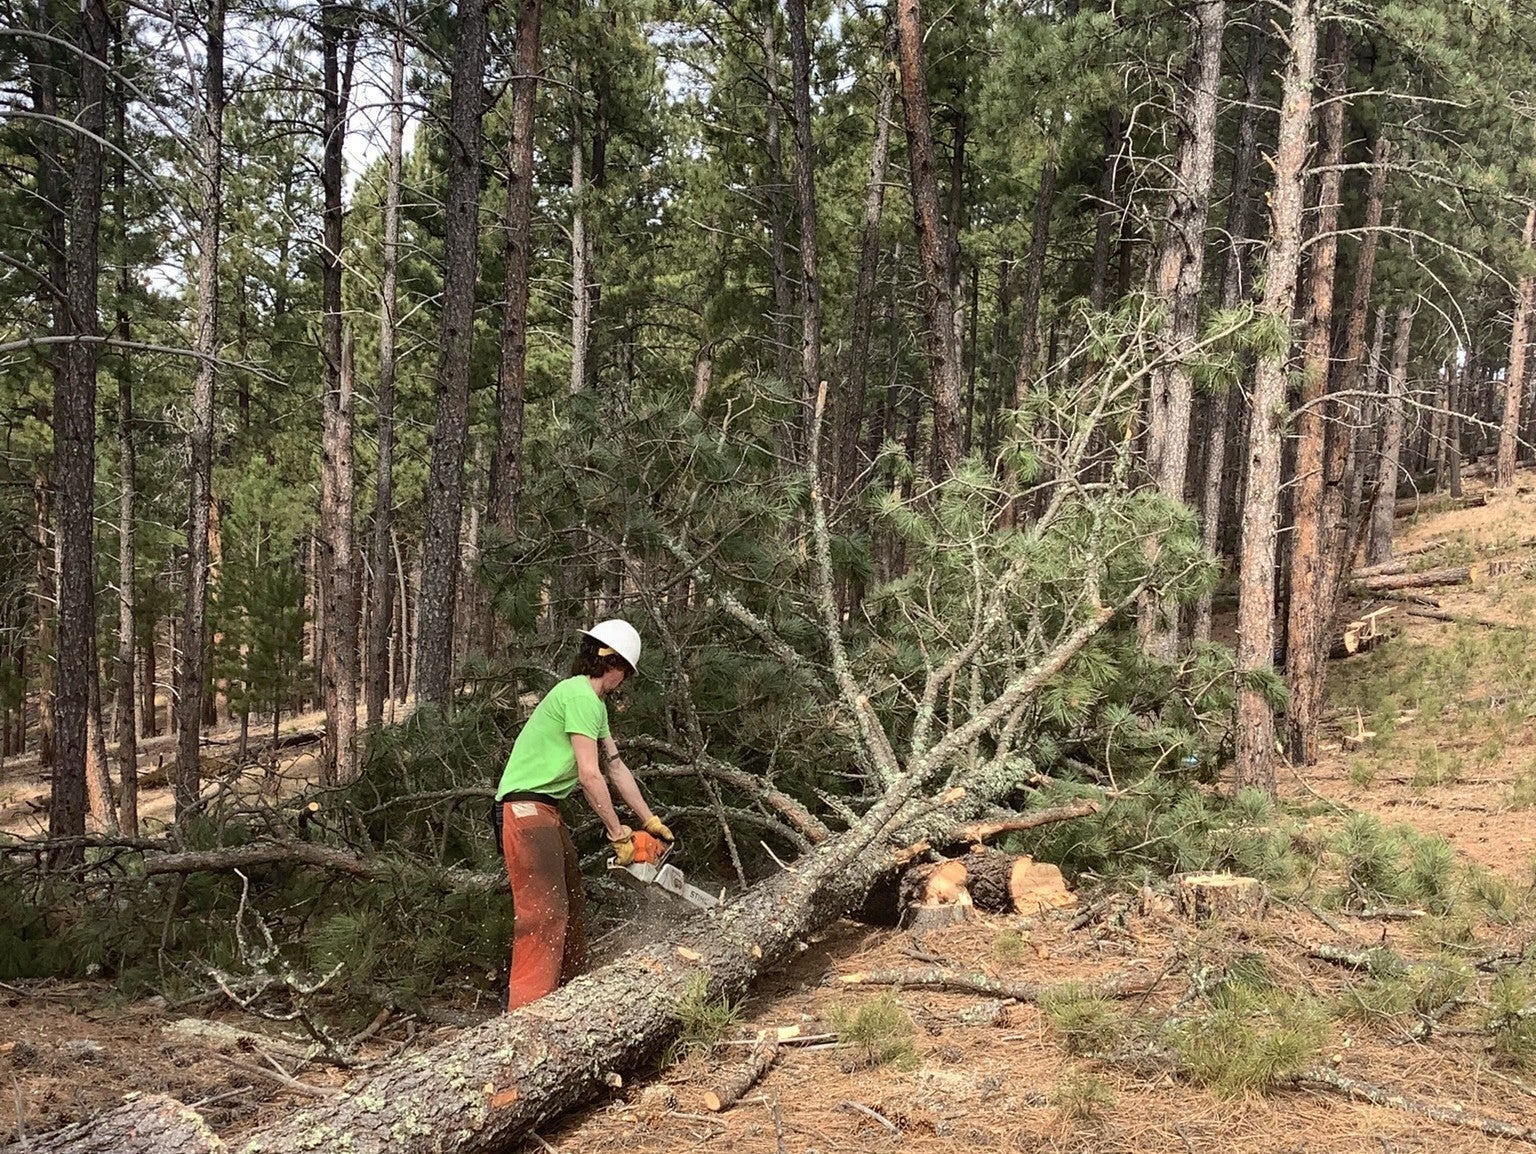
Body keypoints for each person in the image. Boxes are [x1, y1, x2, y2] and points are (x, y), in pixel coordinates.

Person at [493, 619, 673, 1011]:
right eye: (624, 671)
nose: (623, 680)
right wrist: (617, 834)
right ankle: (525, 1016)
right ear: (614, 664)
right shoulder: (578, 697)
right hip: (525, 808)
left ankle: (569, 1004)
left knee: (571, 903)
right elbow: (590, 775)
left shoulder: (594, 706)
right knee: (544, 912)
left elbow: (616, 766)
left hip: (546, 811)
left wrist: (648, 819)